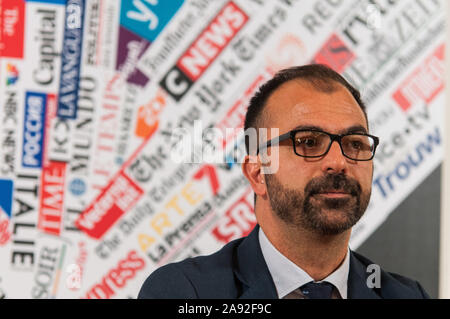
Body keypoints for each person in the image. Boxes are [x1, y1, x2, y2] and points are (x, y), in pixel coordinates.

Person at [138, 64, 429, 299]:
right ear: (257, 173)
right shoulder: (186, 292)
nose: (339, 162)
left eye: (354, 143)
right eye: (309, 142)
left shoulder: (406, 295)